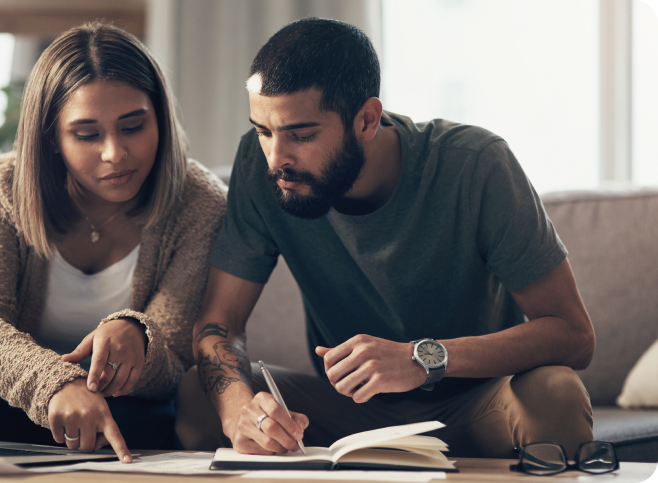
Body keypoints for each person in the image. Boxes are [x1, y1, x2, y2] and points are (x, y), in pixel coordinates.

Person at [178, 17, 595, 459]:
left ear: (367, 119)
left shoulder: (476, 165)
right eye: (264, 131)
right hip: (347, 411)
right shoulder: (261, 168)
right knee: (198, 394)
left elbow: (573, 335)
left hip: (478, 404)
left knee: (557, 395)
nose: (276, 158)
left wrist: (423, 358)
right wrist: (240, 411)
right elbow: (218, 324)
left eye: (302, 134)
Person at [0, 22, 226, 463]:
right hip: (5, 403)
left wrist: (138, 337)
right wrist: (57, 383)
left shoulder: (200, 203)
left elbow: (174, 361)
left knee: (158, 416)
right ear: (51, 138)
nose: (115, 153)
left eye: (133, 126)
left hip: (132, 417)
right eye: (87, 135)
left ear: (161, 119)